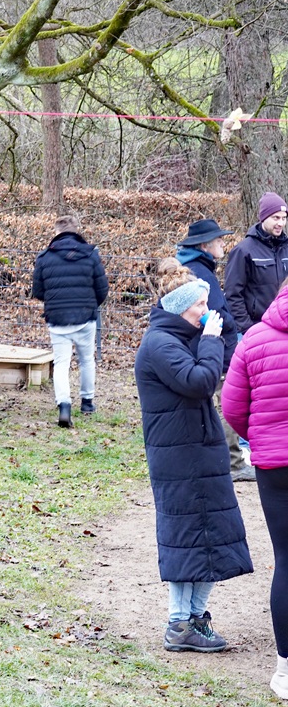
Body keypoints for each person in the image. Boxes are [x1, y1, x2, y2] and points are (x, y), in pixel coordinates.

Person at [134, 259, 252, 653]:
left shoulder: (178, 338)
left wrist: (210, 341)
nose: (207, 311)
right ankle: (177, 624)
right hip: (180, 457)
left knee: (211, 537)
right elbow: (200, 381)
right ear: (181, 305)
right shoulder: (160, 344)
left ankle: (196, 618)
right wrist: (212, 340)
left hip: (198, 452)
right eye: (200, 305)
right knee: (186, 540)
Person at [222, 280, 288, 697]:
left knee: (285, 559)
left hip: (274, 466)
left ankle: (285, 669)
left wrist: (260, 440)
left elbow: (232, 406)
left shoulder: (255, 338)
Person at [175, 218, 255, 481]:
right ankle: (233, 462)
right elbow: (216, 311)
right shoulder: (201, 272)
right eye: (218, 239)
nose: (223, 242)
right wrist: (231, 326)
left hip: (202, 345)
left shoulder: (189, 267)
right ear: (204, 245)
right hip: (215, 346)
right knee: (227, 401)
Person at [31, 215, 109, 428]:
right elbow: (102, 289)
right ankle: (87, 402)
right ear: (77, 230)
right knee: (86, 360)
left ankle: (64, 405)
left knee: (61, 363)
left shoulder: (44, 257)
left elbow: (38, 291)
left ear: (56, 232)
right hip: (85, 317)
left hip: (58, 319)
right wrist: (91, 305)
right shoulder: (91, 255)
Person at [224, 191, 288, 335]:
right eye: (275, 218)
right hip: (257, 328)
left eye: (284, 218)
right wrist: (247, 329)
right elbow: (233, 294)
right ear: (263, 218)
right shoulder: (243, 251)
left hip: (284, 328)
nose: (280, 223)